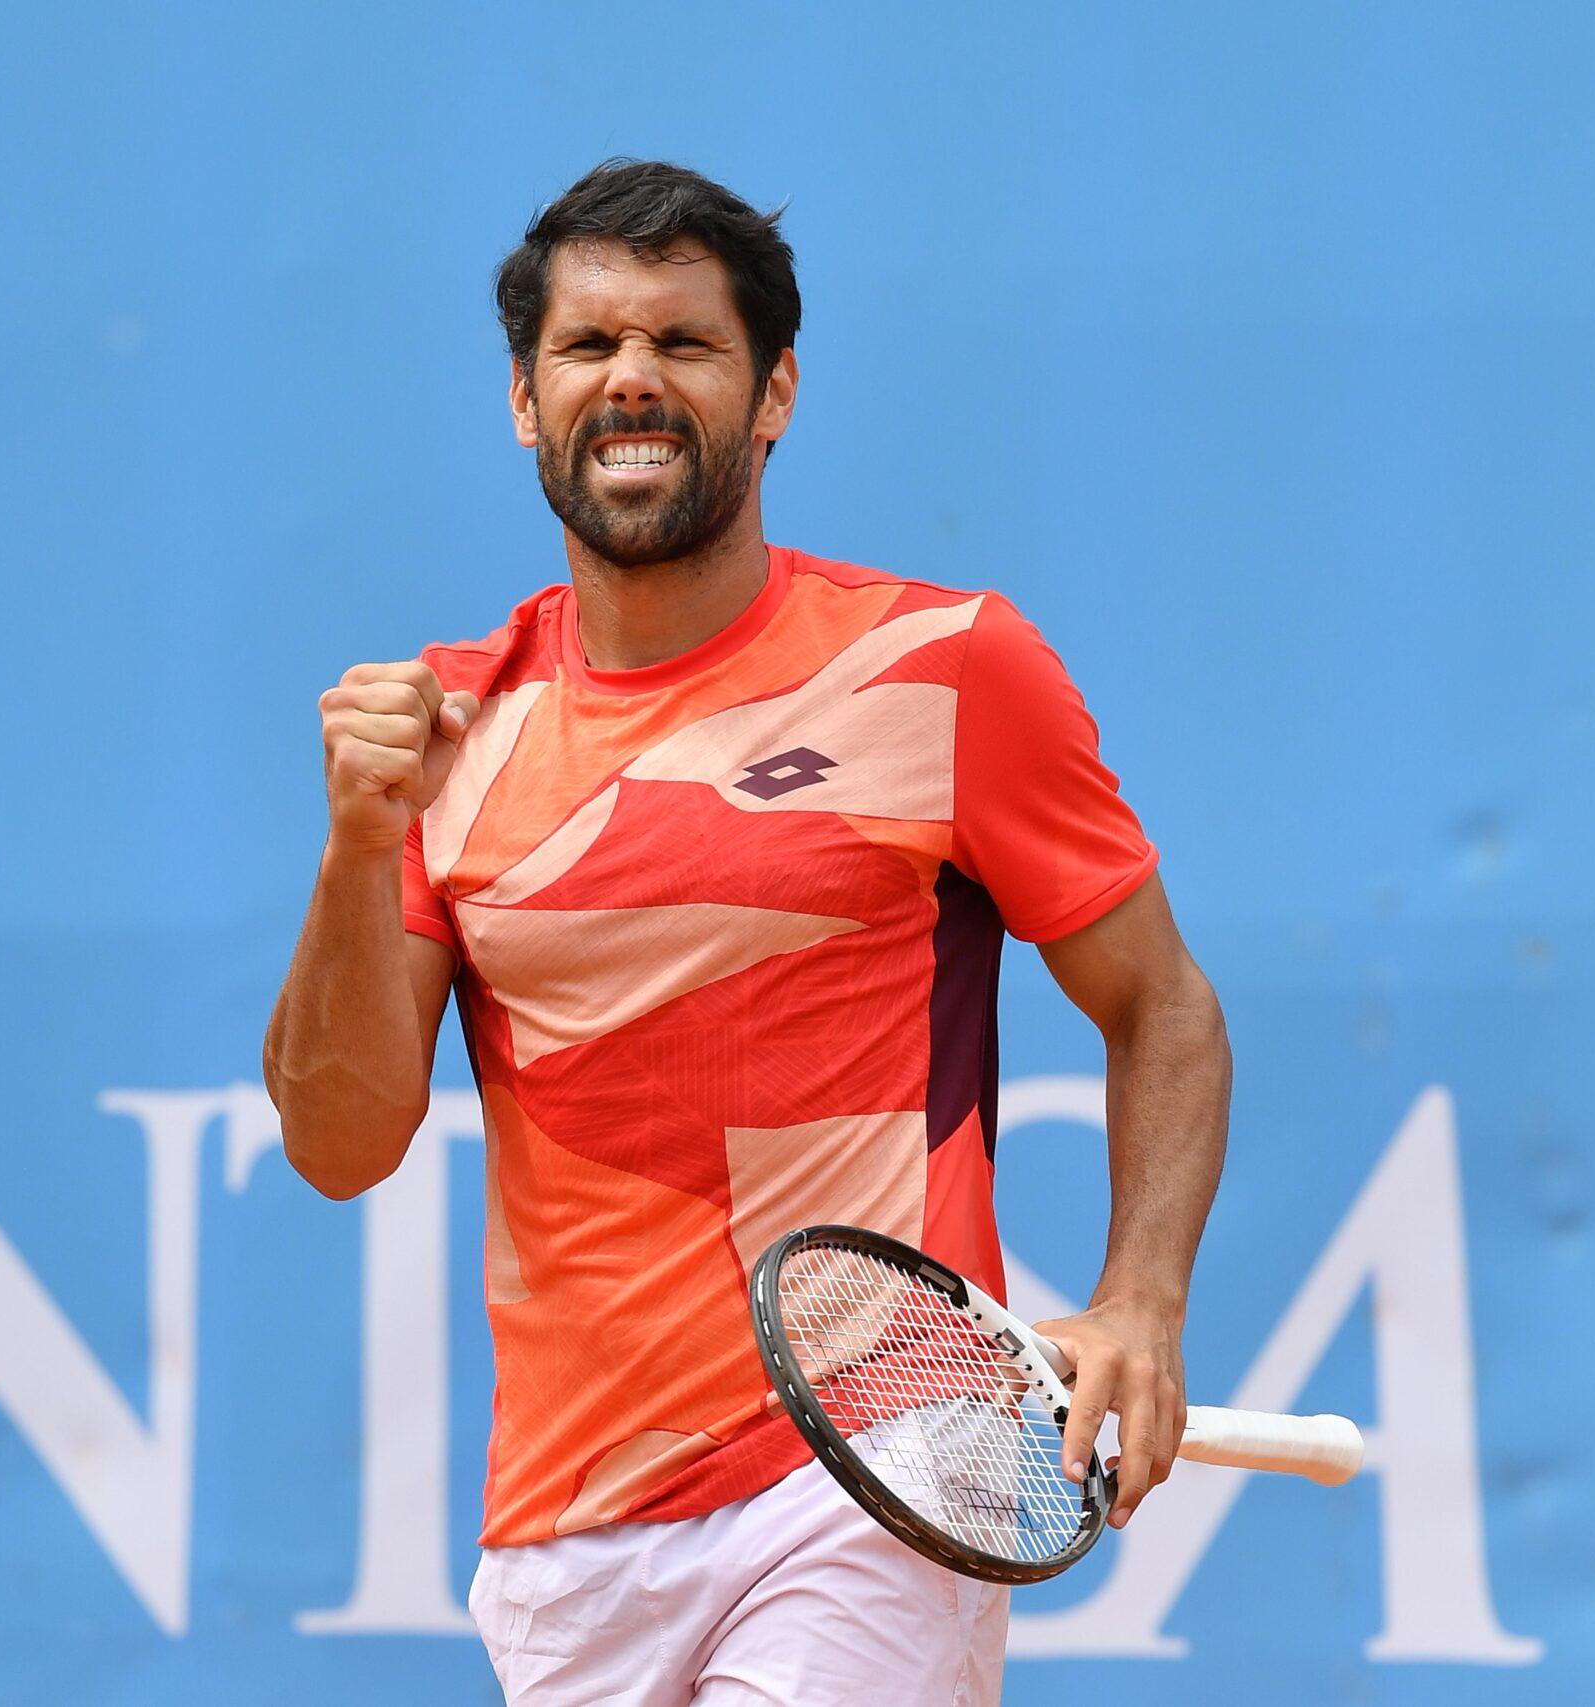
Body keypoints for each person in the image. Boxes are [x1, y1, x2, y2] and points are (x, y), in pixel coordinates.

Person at [261, 157, 1231, 1705]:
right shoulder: (447, 727)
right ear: (525, 402)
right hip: (567, 1527)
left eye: (684, 345)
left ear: (773, 392)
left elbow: (1162, 1005)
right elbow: (338, 1140)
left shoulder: (948, 667)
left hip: (876, 1466)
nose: (631, 379)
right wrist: (356, 847)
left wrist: (1141, 1301)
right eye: (587, 349)